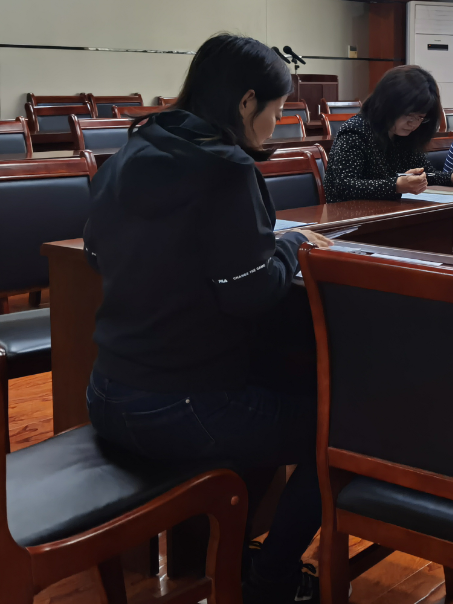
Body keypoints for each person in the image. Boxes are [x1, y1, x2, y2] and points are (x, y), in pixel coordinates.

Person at [82, 34, 333, 603]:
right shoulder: (226, 168)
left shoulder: (134, 148)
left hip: (107, 392)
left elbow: (95, 252)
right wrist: (293, 246)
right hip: (180, 406)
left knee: (271, 401)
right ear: (246, 102)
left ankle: (233, 561)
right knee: (338, 431)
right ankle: (271, 581)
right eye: (276, 111)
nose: (277, 124)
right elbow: (249, 292)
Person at [323, 65, 453, 202]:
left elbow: (425, 173)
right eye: (409, 115)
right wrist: (396, 185)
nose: (413, 124)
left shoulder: (404, 136)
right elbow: (344, 186)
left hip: (387, 212)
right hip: (349, 218)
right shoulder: (355, 131)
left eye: (420, 117)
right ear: (388, 105)